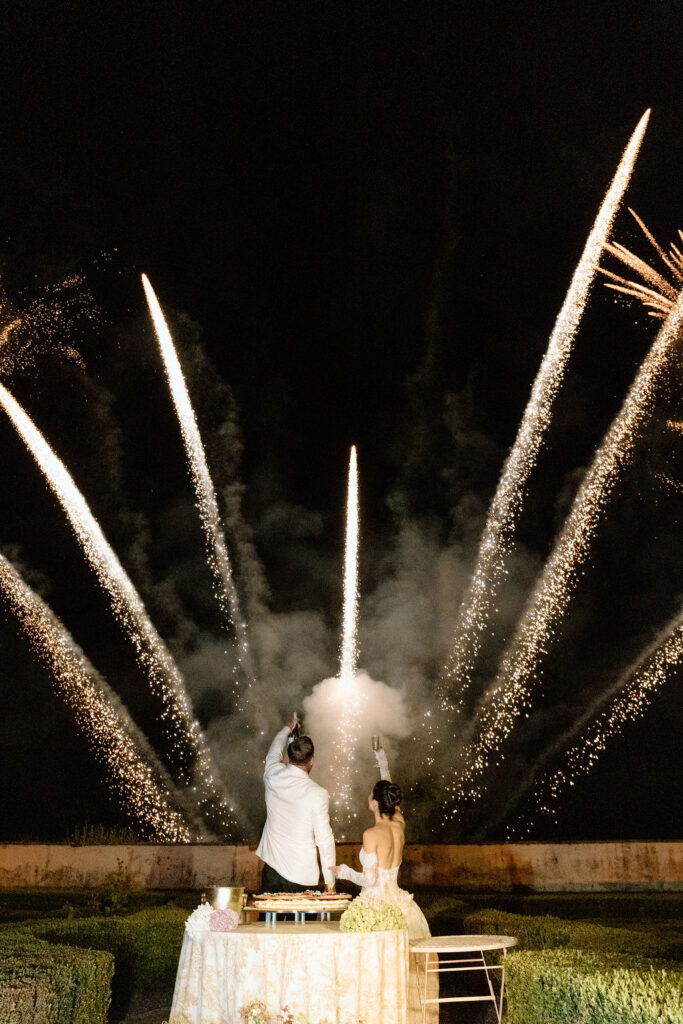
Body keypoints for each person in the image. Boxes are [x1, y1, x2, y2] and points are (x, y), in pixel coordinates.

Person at [329, 746, 430, 940]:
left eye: (371, 794)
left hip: (377, 906)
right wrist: (382, 759)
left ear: (375, 803)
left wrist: (343, 872)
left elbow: (369, 880)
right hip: (400, 902)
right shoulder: (400, 824)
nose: (368, 796)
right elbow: (389, 792)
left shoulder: (371, 834)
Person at [256, 718, 336, 892]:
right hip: (302, 875)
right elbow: (324, 839)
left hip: (272, 871)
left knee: (270, 919)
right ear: (312, 760)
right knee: (302, 920)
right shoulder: (318, 794)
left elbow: (274, 750)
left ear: (289, 756)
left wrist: (287, 727)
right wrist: (330, 880)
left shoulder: (272, 775)